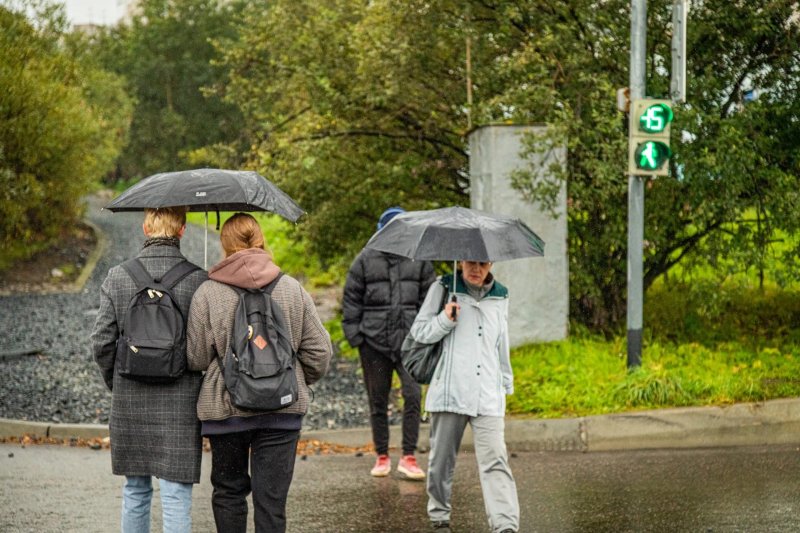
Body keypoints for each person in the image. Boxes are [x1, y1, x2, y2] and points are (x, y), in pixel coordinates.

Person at [186, 212, 332, 533]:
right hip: (282, 411)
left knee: (228, 493)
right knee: (271, 504)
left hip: (226, 413)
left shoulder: (207, 293)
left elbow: (195, 357)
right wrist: (294, 377)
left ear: (224, 245)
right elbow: (320, 352)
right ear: (261, 240)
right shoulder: (292, 289)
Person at [90, 206, 208, 533]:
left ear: (145, 227)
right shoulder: (199, 279)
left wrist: (116, 380)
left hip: (130, 398)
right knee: (175, 493)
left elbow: (101, 341)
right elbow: (202, 349)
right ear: (182, 230)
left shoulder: (118, 276)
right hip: (180, 401)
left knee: (135, 489)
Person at [408, 260, 519, 533]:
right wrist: (445, 320)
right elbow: (419, 332)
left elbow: (501, 343)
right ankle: (439, 517)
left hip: (488, 395)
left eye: (482, 263)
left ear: (491, 263)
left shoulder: (501, 295)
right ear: (462, 261)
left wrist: (506, 381)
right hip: (450, 391)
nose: (476, 269)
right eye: (471, 262)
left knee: (496, 461)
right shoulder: (444, 287)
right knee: (441, 462)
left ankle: (505, 525)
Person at [342, 207, 436, 479]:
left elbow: (429, 299)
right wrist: (356, 337)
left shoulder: (419, 259)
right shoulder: (364, 259)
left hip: (410, 343)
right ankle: (381, 455)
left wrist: (425, 335)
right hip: (373, 343)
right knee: (378, 400)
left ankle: (409, 456)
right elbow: (351, 299)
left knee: (414, 396)